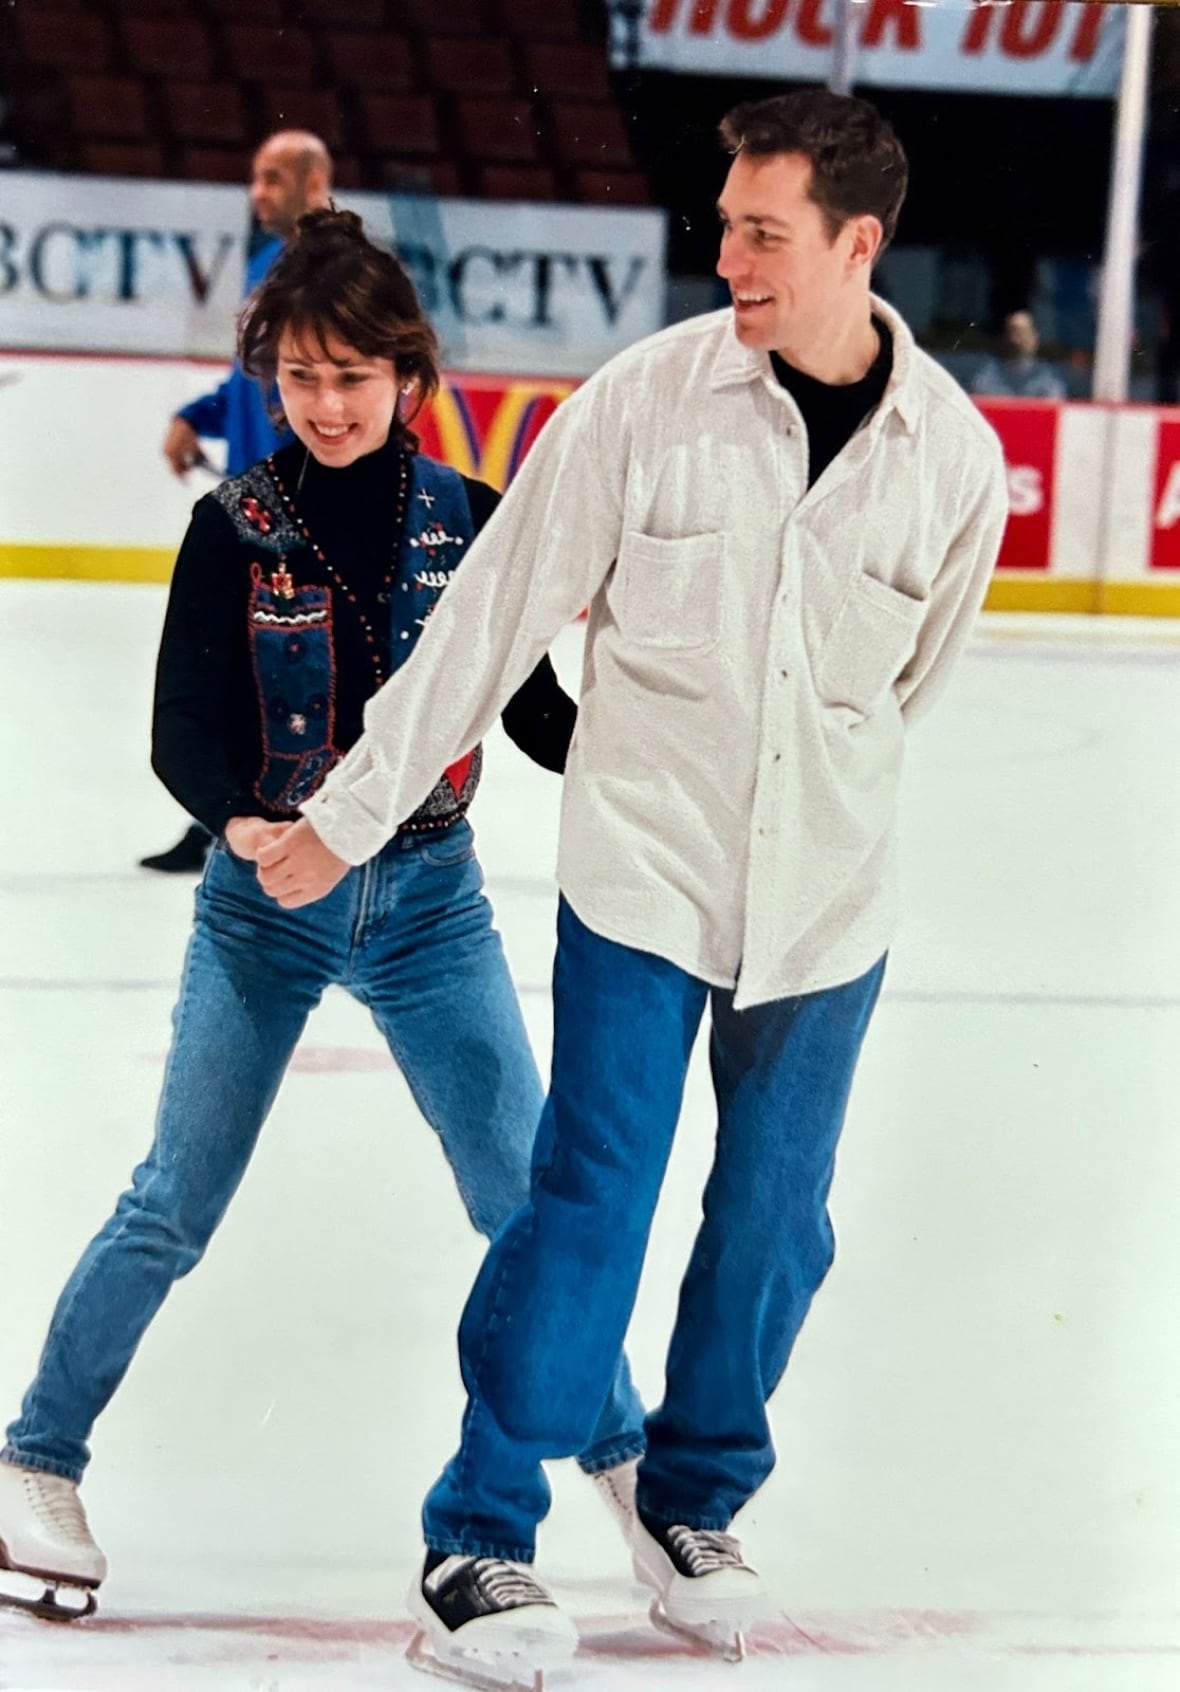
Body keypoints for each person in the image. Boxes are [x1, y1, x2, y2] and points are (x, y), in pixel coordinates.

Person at [251, 90, 1010, 1679]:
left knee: (776, 1226)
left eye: (762, 231)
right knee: (590, 1202)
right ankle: (478, 1535)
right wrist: (357, 805)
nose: (723, 251)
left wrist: (814, 793)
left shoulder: (953, 457)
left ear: (855, 245)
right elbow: (487, 624)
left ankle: (693, 1493)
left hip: (827, 901)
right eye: (725, 220)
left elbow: (910, 682)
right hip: (646, 877)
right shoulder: (641, 405)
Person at [0, 210, 644, 1624]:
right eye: (300, 378)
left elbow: (528, 709)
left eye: (355, 375)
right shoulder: (232, 528)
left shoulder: (474, 520)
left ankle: (632, 1470)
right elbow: (182, 728)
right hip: (263, 912)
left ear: (407, 374)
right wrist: (240, 824)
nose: (329, 405)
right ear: (267, 381)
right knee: (173, 1202)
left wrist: (646, 762)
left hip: (431, 910)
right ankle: (34, 1459)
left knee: (526, 1203)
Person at [142, 130, 333, 875]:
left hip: (302, 509)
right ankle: (223, 812)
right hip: (250, 510)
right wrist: (196, 416)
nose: (257, 194)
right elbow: (250, 381)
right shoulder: (265, 264)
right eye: (254, 179)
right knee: (228, 671)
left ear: (315, 179)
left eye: (272, 178)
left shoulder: (329, 270)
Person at [969, 309, 1066, 401]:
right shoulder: (989, 373)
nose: (1017, 340)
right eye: (1013, 332)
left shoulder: (1048, 375)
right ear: (1004, 338)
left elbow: (1053, 405)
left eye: (1024, 333)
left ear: (1035, 337)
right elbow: (982, 401)